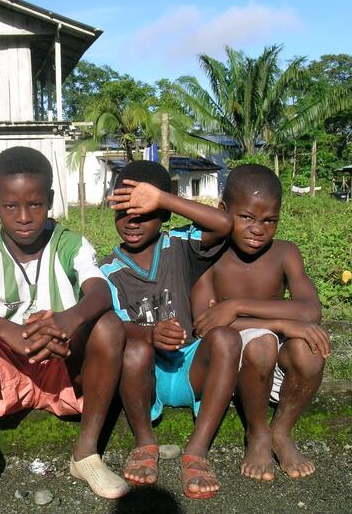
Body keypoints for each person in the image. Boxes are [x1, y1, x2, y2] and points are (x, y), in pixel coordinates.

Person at [0, 146, 129, 505]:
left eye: (36, 205)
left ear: (51, 200)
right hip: (4, 368)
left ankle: (86, 454)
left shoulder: (72, 244)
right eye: (11, 206)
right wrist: (10, 332)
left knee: (109, 327)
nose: (24, 217)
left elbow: (100, 291)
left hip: (62, 362)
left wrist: (67, 321)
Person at [100, 161, 237, 500]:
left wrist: (162, 198)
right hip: (146, 375)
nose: (132, 221)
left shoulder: (178, 244)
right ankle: (146, 442)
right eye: (124, 210)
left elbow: (225, 224)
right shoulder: (107, 270)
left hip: (192, 364)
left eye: (145, 212)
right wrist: (148, 335)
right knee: (133, 350)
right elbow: (116, 327)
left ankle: (197, 450)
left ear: (163, 215)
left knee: (227, 338)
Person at [191, 164, 329, 482]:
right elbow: (205, 324)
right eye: (247, 218)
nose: (258, 229)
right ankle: (258, 433)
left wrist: (236, 306)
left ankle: (281, 431)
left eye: (270, 221)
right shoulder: (208, 256)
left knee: (311, 345)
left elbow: (311, 311)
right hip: (234, 367)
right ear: (224, 211)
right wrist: (280, 323)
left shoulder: (285, 253)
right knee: (263, 343)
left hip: (271, 360)